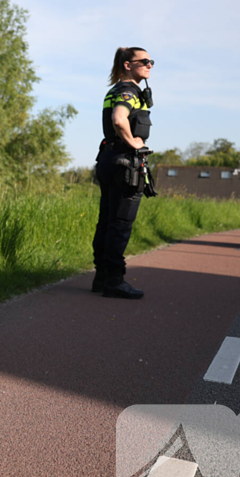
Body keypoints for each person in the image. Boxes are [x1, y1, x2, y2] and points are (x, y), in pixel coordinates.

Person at [91, 47, 154, 299]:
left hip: (108, 158)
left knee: (107, 220)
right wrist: (134, 143)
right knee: (121, 223)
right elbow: (119, 119)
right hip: (124, 163)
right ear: (128, 65)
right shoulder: (129, 91)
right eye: (144, 61)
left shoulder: (115, 90)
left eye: (151, 61)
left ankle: (101, 277)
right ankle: (115, 280)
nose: (149, 65)